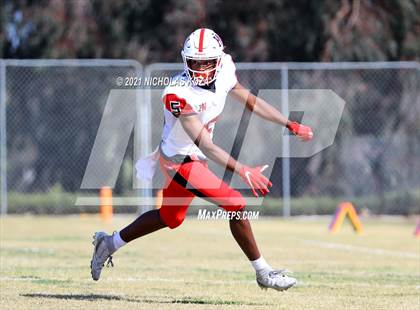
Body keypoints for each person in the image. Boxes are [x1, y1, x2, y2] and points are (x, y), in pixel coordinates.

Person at [90, 28, 313, 291]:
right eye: (195, 62)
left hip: (192, 157)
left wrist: (289, 123)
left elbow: (250, 101)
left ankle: (109, 243)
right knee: (236, 203)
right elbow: (205, 145)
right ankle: (264, 273)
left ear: (219, 60)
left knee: (169, 217)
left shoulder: (227, 68)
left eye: (207, 62)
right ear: (186, 61)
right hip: (178, 160)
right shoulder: (177, 92)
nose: (201, 68)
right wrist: (243, 170)